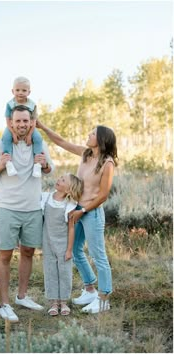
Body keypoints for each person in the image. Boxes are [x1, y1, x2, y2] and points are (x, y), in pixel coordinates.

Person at [0, 105, 54, 322]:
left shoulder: (39, 145)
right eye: (18, 121)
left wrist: (46, 165)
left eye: (25, 121)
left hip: (32, 209)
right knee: (4, 256)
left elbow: (52, 170)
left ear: (31, 122)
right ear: (11, 123)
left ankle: (22, 296)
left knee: (28, 252)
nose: (22, 124)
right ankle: (4, 304)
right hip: (8, 209)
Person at [37, 120, 118, 314]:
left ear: (101, 140)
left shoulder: (107, 164)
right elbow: (61, 142)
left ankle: (104, 298)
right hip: (77, 209)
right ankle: (90, 289)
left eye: (92, 134)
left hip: (91, 212)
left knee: (98, 255)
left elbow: (103, 195)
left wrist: (83, 210)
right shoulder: (85, 153)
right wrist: (43, 126)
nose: (89, 135)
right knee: (73, 250)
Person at [41, 173, 84, 316]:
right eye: (60, 177)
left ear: (68, 189)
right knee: (50, 271)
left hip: (63, 244)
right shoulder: (46, 198)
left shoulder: (69, 205)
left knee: (64, 272)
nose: (59, 179)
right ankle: (54, 302)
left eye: (63, 180)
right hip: (48, 243)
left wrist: (69, 249)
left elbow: (71, 228)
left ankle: (64, 302)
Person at [3, 76, 43, 178]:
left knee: (38, 138)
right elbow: (8, 120)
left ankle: (37, 164)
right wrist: (13, 133)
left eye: (24, 90)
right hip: (12, 127)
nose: (20, 92)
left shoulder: (32, 105)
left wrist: (30, 135)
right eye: (17, 90)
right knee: (6, 138)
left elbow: (33, 121)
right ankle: (8, 163)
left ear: (29, 92)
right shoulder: (10, 104)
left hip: (29, 128)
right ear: (12, 91)